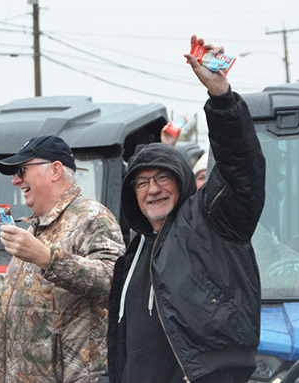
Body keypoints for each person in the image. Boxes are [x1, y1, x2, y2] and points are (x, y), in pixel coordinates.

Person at [107, 35, 265, 383]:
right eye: (142, 182)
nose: (153, 189)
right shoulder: (134, 253)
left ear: (182, 182)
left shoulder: (213, 223)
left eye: (163, 178)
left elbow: (240, 168)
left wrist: (222, 98)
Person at [0, 135, 126, 383]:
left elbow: (113, 282)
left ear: (55, 170)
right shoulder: (35, 228)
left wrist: (47, 258)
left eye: (22, 170)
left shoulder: (92, 216)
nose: (15, 180)